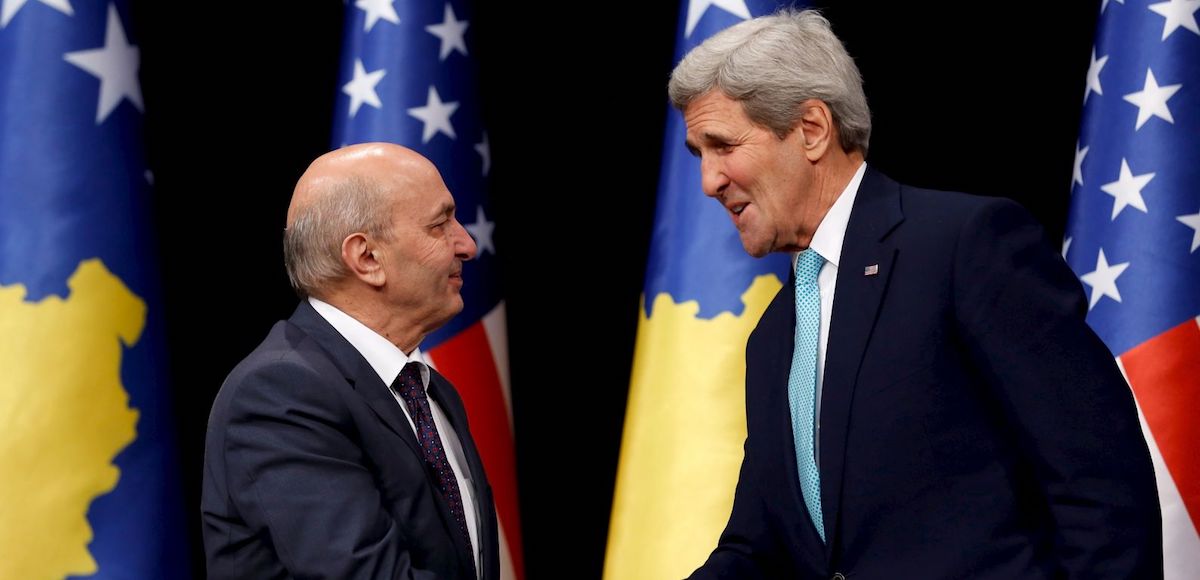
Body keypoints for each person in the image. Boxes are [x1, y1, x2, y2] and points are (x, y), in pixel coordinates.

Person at [672, 10, 1162, 580]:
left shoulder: (963, 247)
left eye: (722, 146)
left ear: (811, 129)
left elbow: (1099, 484)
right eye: (699, 155)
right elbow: (758, 548)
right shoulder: (774, 336)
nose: (709, 181)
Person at [201, 142, 497, 579]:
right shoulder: (281, 393)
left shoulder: (429, 390)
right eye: (440, 225)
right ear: (367, 258)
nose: (467, 245)